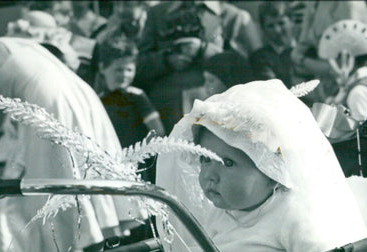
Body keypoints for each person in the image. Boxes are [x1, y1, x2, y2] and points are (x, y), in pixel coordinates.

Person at [156, 79, 367, 252]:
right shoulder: (216, 213)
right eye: (205, 159)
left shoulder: (290, 214)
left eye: (227, 163)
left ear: (271, 172)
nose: (210, 175)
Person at [0, 35, 131, 252]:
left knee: (35, 200)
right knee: (75, 186)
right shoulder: (2, 45)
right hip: (79, 94)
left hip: (49, 102)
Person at [135, 1, 262, 132]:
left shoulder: (233, 16)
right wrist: (166, 59)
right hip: (165, 109)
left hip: (212, 111)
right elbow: (137, 66)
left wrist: (203, 49)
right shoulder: (156, 13)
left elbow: (244, 68)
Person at [95, 36, 165, 147]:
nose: (124, 75)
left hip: (136, 158)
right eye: (118, 69)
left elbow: (157, 131)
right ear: (102, 68)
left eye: (129, 70)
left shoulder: (137, 96)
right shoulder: (98, 100)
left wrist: (142, 153)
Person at [249, 1, 310, 90]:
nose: (277, 30)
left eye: (281, 23)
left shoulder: (309, 50)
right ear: (263, 29)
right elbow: (274, 90)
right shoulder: (259, 59)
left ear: (292, 21)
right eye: (270, 26)